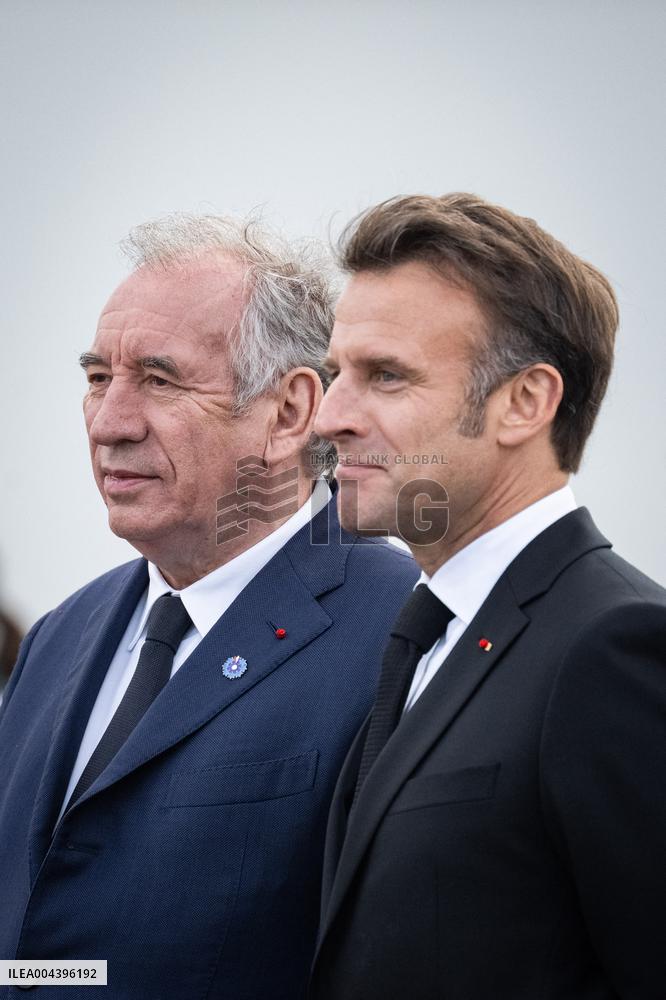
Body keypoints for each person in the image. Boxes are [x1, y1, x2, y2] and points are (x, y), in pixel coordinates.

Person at [0, 215, 418, 1000]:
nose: (110, 423)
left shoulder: (404, 631)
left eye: (159, 380)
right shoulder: (59, 637)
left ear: (292, 413)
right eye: (97, 378)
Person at [309, 193, 666, 1000]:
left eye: (385, 376)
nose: (330, 416)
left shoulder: (615, 648)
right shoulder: (422, 637)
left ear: (526, 403)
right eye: (337, 374)